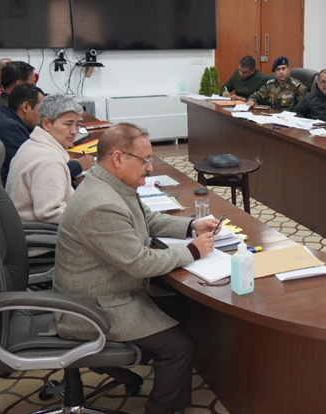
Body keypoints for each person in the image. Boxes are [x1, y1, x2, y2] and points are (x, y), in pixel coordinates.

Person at [53, 122, 219, 414]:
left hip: (111, 291)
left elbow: (148, 220)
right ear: (119, 157)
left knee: (183, 309)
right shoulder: (100, 204)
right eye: (145, 160)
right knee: (179, 348)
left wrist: (191, 226)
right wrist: (193, 250)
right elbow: (141, 263)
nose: (150, 168)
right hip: (93, 309)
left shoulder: (109, 183)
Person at [6, 95, 85, 224]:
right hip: (42, 232)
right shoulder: (49, 161)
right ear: (46, 124)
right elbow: (49, 212)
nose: (74, 131)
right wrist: (90, 220)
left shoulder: (34, 143)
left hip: (26, 226)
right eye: (68, 124)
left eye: (78, 124)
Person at [0, 84, 43, 186]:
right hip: (10, 188)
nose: (43, 114)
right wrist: (77, 164)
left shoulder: (5, 116)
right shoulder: (9, 129)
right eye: (40, 108)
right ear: (26, 107)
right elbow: (35, 167)